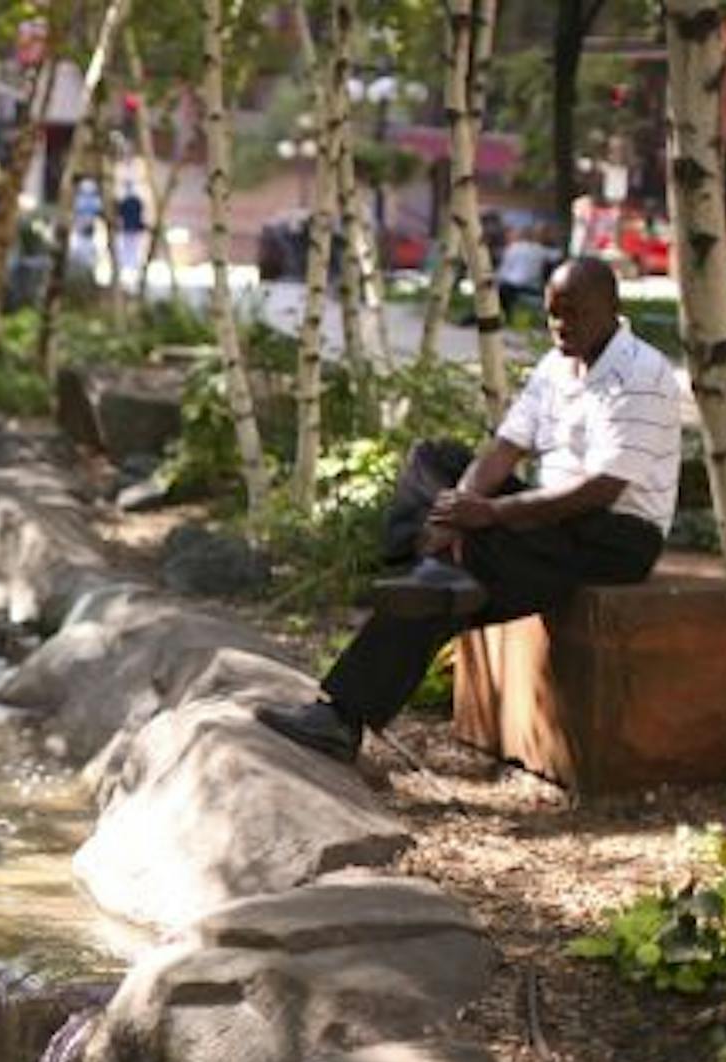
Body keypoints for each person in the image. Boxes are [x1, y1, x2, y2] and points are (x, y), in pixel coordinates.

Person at [257, 256, 679, 764]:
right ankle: (433, 561)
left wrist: (491, 516)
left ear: (611, 307)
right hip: (552, 521)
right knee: (432, 459)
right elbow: (504, 448)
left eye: (575, 313)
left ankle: (343, 717)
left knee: (455, 569)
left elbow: (601, 490)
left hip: (614, 535)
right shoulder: (555, 365)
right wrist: (454, 514)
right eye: (553, 313)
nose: (561, 325)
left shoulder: (640, 373)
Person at [116, 183, 148, 277]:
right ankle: (129, 264)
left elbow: (121, 214)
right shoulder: (134, 201)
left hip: (130, 228)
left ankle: (131, 264)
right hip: (130, 228)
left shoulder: (129, 201)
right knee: (131, 246)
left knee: (131, 246)